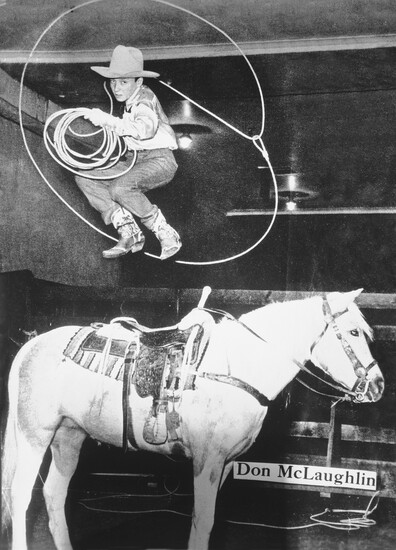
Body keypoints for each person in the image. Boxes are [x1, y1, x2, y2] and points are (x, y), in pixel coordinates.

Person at [75, 45, 181, 260]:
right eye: (113, 81)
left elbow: (144, 130)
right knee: (86, 178)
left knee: (120, 187)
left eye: (123, 81)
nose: (116, 87)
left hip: (160, 159)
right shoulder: (131, 103)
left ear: (138, 82)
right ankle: (128, 230)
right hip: (135, 160)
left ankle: (164, 231)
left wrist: (107, 120)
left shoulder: (143, 100)